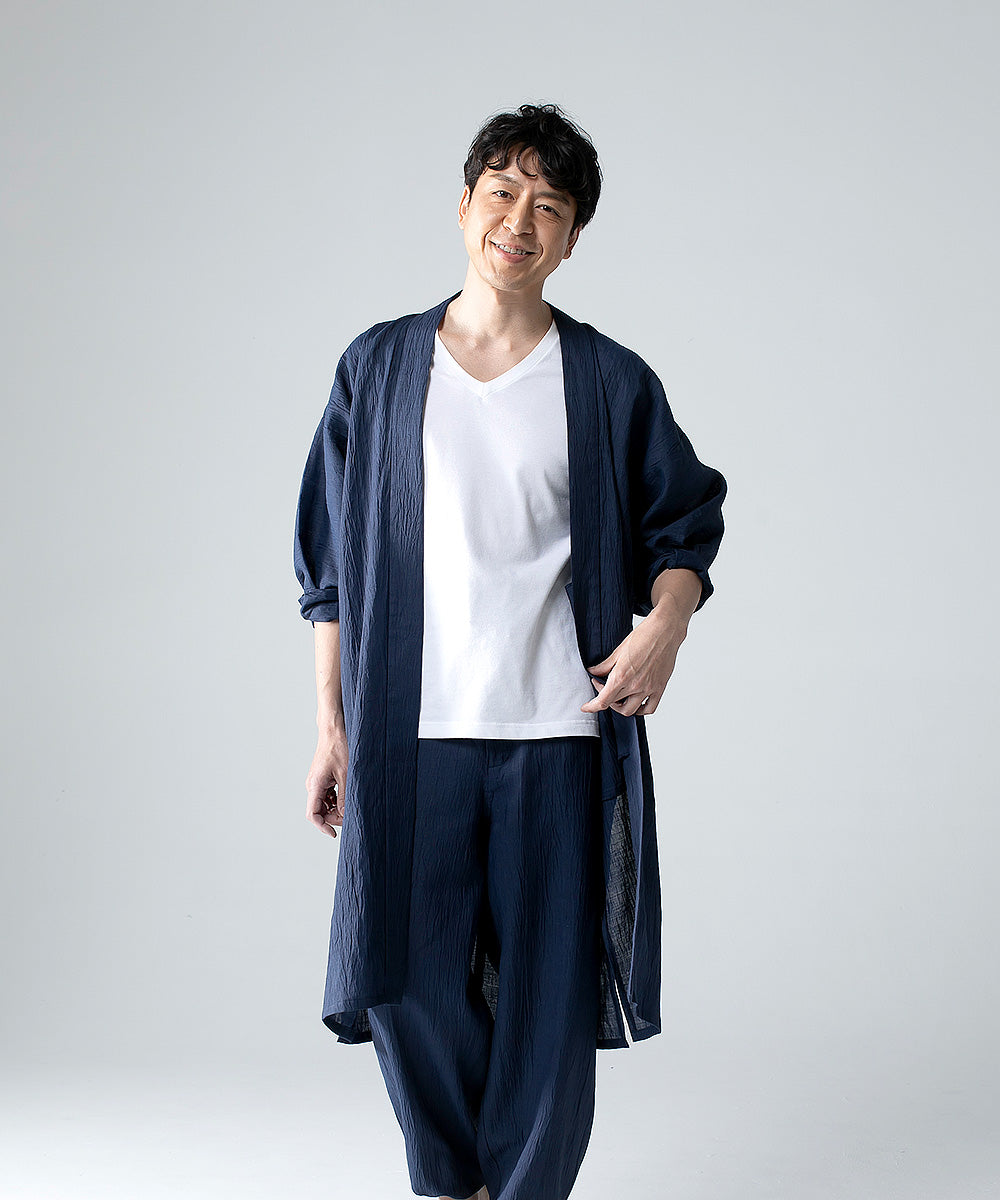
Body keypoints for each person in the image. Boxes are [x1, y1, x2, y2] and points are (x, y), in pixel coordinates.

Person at [293, 102, 728, 1200]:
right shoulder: (378, 369)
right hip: (410, 736)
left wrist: (666, 626)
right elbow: (329, 569)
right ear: (464, 207)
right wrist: (332, 726)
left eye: (550, 208)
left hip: (557, 733)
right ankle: (457, 1184)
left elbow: (685, 528)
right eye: (503, 194)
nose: (520, 223)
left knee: (546, 994)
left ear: (572, 239)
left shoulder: (608, 380)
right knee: (408, 981)